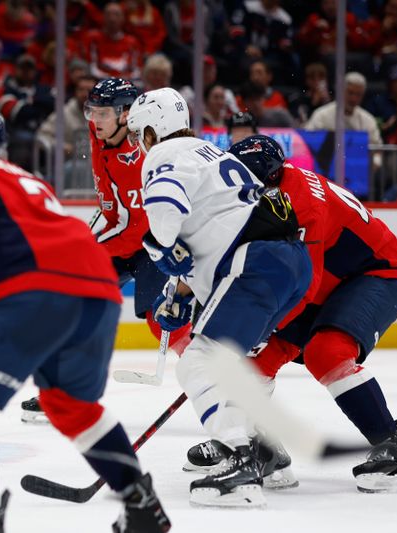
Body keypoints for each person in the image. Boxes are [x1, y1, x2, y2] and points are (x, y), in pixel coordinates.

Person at [0, 109, 171, 533]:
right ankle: (140, 502)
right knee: (71, 405)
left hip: (32, 289)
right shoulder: (27, 178)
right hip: (99, 289)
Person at [126, 88, 312, 507]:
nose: (140, 144)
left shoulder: (163, 156)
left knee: (197, 360)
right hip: (291, 265)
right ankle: (269, 454)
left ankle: (240, 460)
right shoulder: (214, 154)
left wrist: (158, 247)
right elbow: (213, 230)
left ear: (154, 131)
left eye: (140, 134)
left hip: (254, 263)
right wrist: (180, 293)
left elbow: (166, 221)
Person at [224, 135, 397, 493]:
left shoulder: (303, 203)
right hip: (330, 278)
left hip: (374, 275)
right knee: (253, 366)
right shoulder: (274, 190)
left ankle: (395, 444)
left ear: (266, 178)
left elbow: (303, 286)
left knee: (327, 353)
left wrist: (260, 324)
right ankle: (262, 450)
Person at [21, 79, 191, 424]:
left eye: (102, 113)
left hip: (151, 242)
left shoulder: (143, 153)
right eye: (92, 111)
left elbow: (133, 225)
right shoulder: (101, 130)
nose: (94, 120)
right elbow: (116, 215)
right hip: (119, 230)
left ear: (126, 115)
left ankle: (214, 377)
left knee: (162, 318)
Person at [304, 72, 381, 146]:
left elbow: (377, 149)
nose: (353, 99)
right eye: (350, 93)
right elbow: (308, 142)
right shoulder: (321, 115)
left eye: (358, 94)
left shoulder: (368, 120)